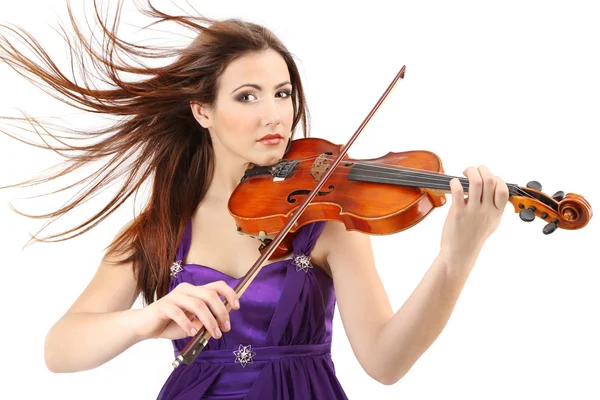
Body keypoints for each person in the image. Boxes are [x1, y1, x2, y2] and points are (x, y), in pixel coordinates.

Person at [0, 2, 509, 399]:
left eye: (283, 93)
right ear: (202, 111)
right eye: (248, 96)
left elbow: (385, 361)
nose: (275, 115)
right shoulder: (161, 229)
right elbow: (58, 349)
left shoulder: (325, 219)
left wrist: (455, 259)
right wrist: (144, 321)